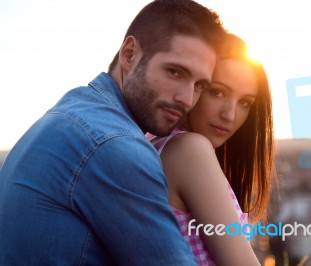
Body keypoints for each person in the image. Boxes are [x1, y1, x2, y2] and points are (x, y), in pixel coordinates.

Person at [0, 0, 226, 265]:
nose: (187, 99)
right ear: (129, 54)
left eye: (200, 84)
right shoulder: (114, 146)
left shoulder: (72, 112)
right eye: (175, 72)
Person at [147, 34, 275, 265]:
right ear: (195, 86)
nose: (230, 115)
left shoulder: (157, 143)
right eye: (217, 92)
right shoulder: (189, 150)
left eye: (245, 102)